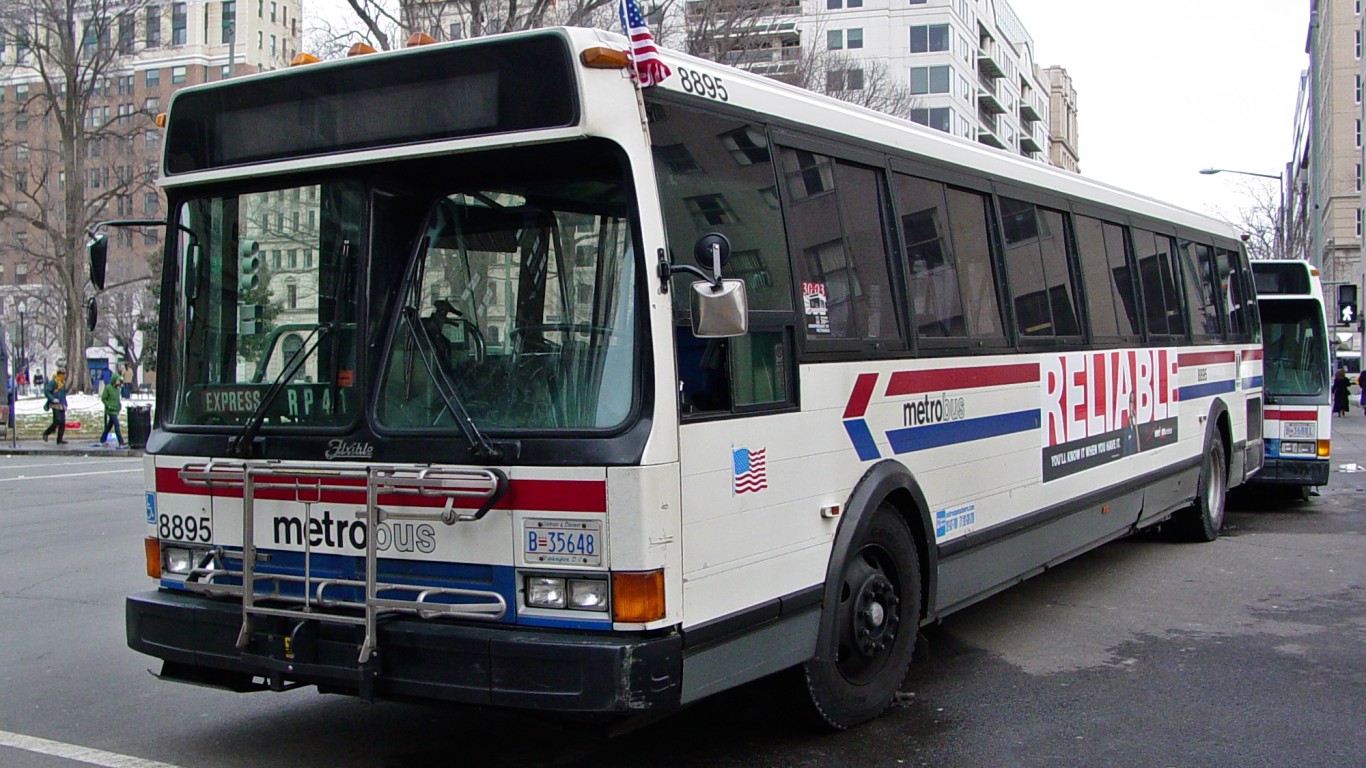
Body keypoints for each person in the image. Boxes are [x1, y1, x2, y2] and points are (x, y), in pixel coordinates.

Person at [42, 366, 69, 444]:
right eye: (62, 374)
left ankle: (59, 439)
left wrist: (65, 404)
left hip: (62, 404)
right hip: (55, 404)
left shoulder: (63, 383)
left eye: (64, 374)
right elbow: (47, 391)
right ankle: (46, 433)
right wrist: (52, 399)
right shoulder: (54, 382)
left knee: (62, 422)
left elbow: (63, 395)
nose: (64, 375)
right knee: (57, 420)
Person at [100, 374, 126, 447]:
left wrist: (119, 405)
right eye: (118, 380)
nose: (119, 382)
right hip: (110, 410)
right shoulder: (108, 387)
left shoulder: (117, 389)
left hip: (115, 409)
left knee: (109, 425)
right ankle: (120, 441)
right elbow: (103, 398)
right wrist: (108, 405)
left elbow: (117, 398)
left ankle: (103, 439)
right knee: (116, 424)